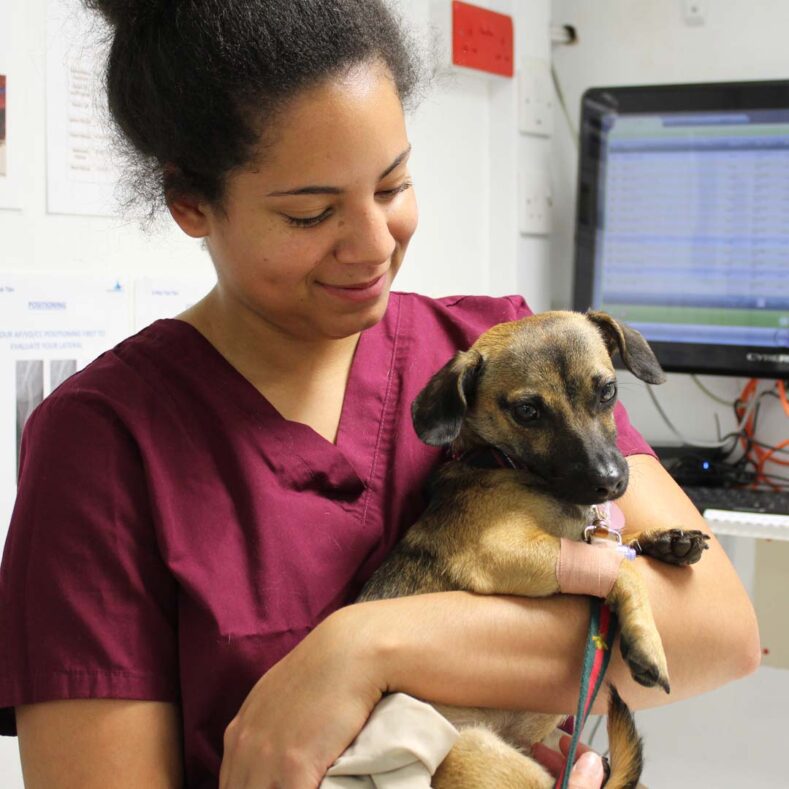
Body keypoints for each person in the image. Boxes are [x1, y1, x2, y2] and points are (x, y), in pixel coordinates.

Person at [0, 2, 759, 788]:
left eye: (393, 184)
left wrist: (361, 648)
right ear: (192, 203)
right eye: (311, 212)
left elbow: (715, 630)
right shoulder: (102, 443)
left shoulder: (502, 353)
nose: (372, 245)